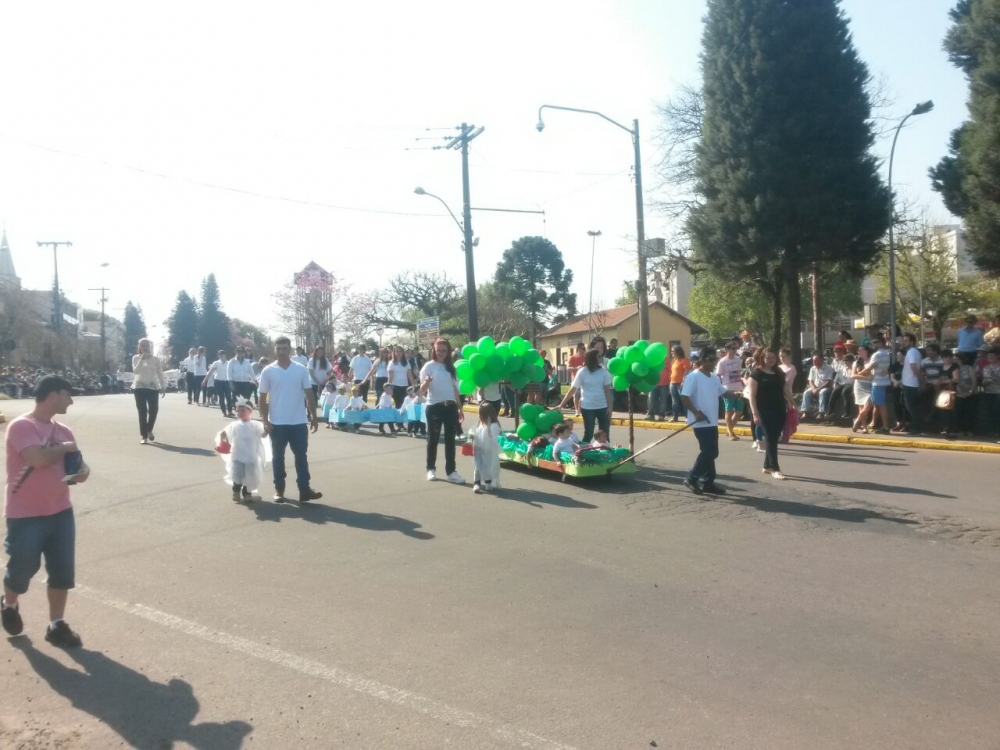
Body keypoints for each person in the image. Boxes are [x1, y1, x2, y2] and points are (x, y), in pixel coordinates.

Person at [2, 375, 90, 648]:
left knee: (62, 571)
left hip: (61, 511)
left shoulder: (64, 430)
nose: (72, 400)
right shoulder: (21, 426)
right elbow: (37, 459)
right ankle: (9, 603)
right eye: (68, 395)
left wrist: (81, 472)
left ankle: (56, 625)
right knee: (22, 570)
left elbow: (79, 467)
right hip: (25, 513)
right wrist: (64, 449)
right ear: (53, 395)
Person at [258, 336, 322, 504]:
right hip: (277, 423)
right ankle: (279, 489)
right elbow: (262, 398)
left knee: (301, 456)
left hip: (298, 421)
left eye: (284, 348)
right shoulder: (268, 371)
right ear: (275, 350)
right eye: (278, 348)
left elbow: (309, 394)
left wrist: (313, 416)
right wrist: (265, 420)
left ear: (290, 349)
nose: (281, 351)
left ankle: (304, 489)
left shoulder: (300, 369)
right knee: (278, 457)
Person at [680, 347, 740, 495]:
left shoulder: (714, 378)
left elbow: (724, 392)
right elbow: (684, 397)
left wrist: (737, 394)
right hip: (700, 421)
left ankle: (707, 482)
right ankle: (691, 478)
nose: (714, 362)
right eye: (710, 359)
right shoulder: (693, 376)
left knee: (711, 452)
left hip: (712, 421)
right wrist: (696, 412)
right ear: (701, 360)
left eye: (715, 359)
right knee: (709, 451)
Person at [420, 338, 465, 483]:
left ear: (449, 352)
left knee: (450, 440)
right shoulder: (428, 366)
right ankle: (431, 469)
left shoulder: (451, 368)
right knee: (432, 439)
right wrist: (427, 382)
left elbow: (455, 390)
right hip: (433, 406)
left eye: (444, 350)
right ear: (433, 350)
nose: (441, 353)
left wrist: (459, 408)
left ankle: (451, 471)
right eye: (438, 350)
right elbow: (421, 392)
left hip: (450, 406)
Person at [748, 347, 793, 480]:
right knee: (771, 437)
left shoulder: (778, 372)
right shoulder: (757, 373)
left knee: (774, 436)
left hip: (779, 409)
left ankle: (767, 465)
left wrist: (792, 403)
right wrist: (755, 413)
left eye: (773, 358)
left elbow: (785, 388)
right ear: (763, 358)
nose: (771, 360)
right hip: (764, 409)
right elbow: (752, 396)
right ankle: (775, 468)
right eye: (768, 358)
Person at [216, 397, 268, 503]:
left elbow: (262, 435)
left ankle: (247, 493)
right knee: (237, 474)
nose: (240, 413)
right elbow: (226, 435)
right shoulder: (234, 425)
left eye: (243, 410)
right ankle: (236, 491)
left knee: (249, 476)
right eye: (238, 411)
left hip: (251, 455)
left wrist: (266, 431)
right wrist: (222, 438)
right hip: (237, 455)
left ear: (250, 412)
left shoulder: (255, 425)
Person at [560, 349, 613, 443]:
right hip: (587, 407)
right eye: (599, 356)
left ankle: (606, 453)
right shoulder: (582, 372)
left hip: (603, 406)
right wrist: (561, 405)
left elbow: (607, 392)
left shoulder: (604, 372)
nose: (601, 358)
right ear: (593, 358)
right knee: (588, 433)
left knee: (605, 433)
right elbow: (572, 389)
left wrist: (610, 407)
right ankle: (584, 453)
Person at [131, 338, 165, 445]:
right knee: (142, 412)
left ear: (149, 346)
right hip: (139, 387)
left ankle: (149, 429)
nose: (145, 348)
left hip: (153, 387)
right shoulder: (136, 358)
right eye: (143, 346)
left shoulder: (155, 359)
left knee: (154, 411)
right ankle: (144, 436)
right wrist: (142, 359)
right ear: (139, 347)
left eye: (147, 345)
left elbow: (160, 373)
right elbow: (136, 371)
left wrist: (162, 386)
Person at [715, 341, 744, 440]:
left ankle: (729, 429)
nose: (735, 351)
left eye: (736, 349)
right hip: (728, 389)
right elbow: (718, 376)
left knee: (739, 412)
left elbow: (741, 373)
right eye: (733, 349)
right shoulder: (722, 362)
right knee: (729, 411)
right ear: (727, 350)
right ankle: (731, 433)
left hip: (739, 387)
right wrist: (720, 388)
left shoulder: (739, 360)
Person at [863, 336, 892, 434]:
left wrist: (858, 374)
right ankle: (873, 424)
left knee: (881, 405)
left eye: (876, 342)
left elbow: (869, 368)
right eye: (873, 342)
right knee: (877, 404)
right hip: (883, 381)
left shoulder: (876, 355)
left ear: (882, 343)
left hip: (878, 382)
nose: (873, 344)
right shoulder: (886, 354)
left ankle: (886, 427)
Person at [471, 403, 502, 494]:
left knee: (487, 466)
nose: (479, 416)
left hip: (489, 451)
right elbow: (474, 431)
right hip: (478, 449)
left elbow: (494, 439)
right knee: (477, 466)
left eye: (480, 414)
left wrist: (488, 428)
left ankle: (488, 482)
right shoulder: (480, 424)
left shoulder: (494, 426)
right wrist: (471, 436)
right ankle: (476, 483)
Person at [895, 333, 923, 435]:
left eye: (906, 341)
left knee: (912, 408)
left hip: (911, 384)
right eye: (904, 340)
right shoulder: (914, 352)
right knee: (912, 407)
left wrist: (920, 380)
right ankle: (916, 428)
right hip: (910, 383)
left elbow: (914, 367)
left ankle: (915, 429)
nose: (904, 342)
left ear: (912, 342)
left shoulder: (911, 352)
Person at [800, 352, 835, 419]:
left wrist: (818, 389)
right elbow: (810, 380)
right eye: (813, 360)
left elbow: (828, 381)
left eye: (816, 360)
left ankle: (821, 413)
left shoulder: (829, 368)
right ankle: (805, 412)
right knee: (806, 393)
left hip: (826, 387)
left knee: (822, 392)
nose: (814, 362)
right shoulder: (812, 369)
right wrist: (813, 388)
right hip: (815, 387)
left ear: (821, 360)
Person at [850, 345, 874, 433]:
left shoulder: (871, 362)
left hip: (870, 387)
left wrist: (861, 376)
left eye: (861, 350)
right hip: (859, 387)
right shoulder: (856, 363)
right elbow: (853, 375)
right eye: (858, 351)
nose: (859, 352)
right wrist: (865, 377)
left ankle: (856, 421)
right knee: (861, 407)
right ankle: (864, 427)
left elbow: (872, 375)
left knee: (867, 407)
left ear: (866, 351)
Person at [204, 350, 233, 418]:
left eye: (222, 354)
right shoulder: (216, 363)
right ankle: (224, 412)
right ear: (218, 355)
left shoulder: (229, 363)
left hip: (227, 381)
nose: (221, 356)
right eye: (219, 354)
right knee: (221, 397)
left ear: (225, 355)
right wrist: (205, 380)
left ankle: (230, 411)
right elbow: (210, 372)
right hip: (218, 381)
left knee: (228, 397)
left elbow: (232, 373)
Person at [980, 348, 1000, 442]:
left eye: (992, 356)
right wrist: (985, 382)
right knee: (990, 412)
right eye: (989, 356)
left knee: (998, 413)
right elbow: (984, 381)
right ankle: (991, 431)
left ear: (997, 356)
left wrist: (993, 378)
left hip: (998, 392)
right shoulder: (986, 368)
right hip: (988, 392)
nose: (990, 358)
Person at [668, 346, 691, 422]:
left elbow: (686, 370)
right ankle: (675, 417)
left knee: (684, 400)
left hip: (680, 383)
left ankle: (688, 417)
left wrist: (684, 381)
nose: (671, 353)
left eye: (673, 351)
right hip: (673, 383)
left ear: (678, 352)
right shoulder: (674, 360)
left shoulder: (684, 360)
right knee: (674, 401)